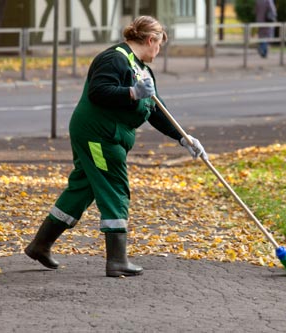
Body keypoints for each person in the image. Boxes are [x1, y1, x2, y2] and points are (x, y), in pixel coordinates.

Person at [24, 16, 207, 277]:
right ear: (150, 39)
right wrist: (131, 93)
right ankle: (117, 260)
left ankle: (40, 245)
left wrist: (183, 138)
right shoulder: (115, 59)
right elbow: (98, 91)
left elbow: (155, 109)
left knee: (83, 188)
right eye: (159, 45)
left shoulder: (141, 67)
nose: (159, 51)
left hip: (107, 135)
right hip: (98, 135)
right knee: (114, 186)